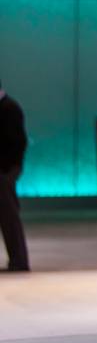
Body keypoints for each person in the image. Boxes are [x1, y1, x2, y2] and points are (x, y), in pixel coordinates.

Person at [0, 79, 29, 272]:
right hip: (5, 169)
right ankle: (17, 260)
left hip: (4, 171)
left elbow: (18, 142)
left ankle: (19, 261)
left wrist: (7, 169)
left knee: (9, 216)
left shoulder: (9, 108)